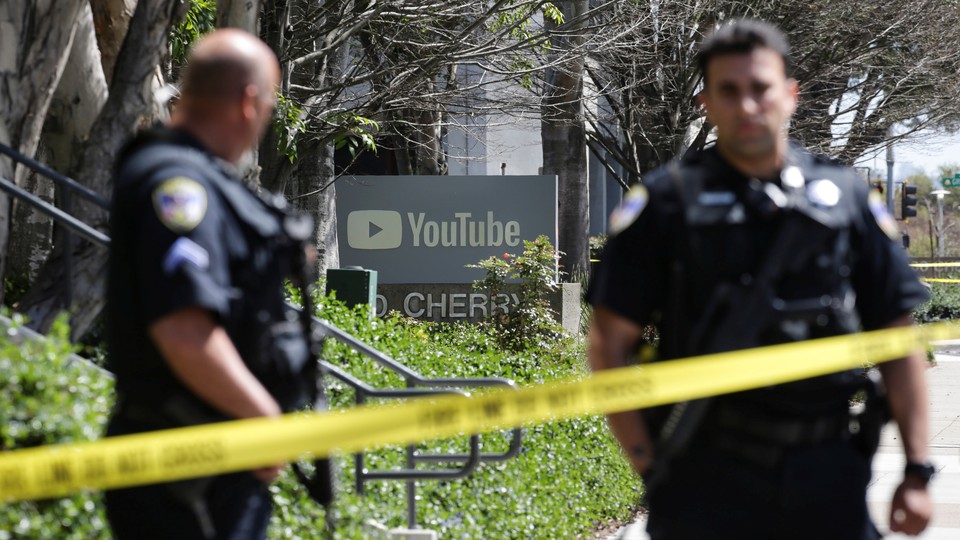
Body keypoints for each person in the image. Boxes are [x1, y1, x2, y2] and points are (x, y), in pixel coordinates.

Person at [587, 19, 934, 540]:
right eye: (729, 90)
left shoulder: (846, 198)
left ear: (791, 95)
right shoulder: (665, 204)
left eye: (761, 88)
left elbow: (899, 339)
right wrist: (651, 467)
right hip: (705, 479)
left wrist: (916, 471)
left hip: (829, 474)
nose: (747, 106)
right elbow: (609, 346)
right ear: (706, 103)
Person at [104, 29, 315, 539]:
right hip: (188, 468)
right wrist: (262, 419)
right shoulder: (179, 185)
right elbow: (183, 328)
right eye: (268, 104)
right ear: (248, 102)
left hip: (207, 462)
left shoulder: (197, 176)